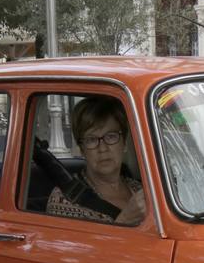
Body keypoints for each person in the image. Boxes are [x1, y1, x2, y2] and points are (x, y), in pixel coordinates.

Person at [46, 97, 147, 226]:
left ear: (125, 144)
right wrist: (123, 221)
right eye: (92, 140)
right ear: (82, 149)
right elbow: (71, 246)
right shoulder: (64, 199)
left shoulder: (141, 190)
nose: (103, 148)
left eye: (111, 136)